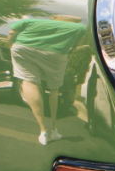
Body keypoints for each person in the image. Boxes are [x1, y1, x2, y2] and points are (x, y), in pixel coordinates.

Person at [6, 15, 87, 145]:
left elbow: (11, 34)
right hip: (56, 54)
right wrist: (68, 53)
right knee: (54, 89)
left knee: (29, 82)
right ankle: (54, 130)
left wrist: (11, 46)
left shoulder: (29, 21)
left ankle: (43, 131)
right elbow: (75, 46)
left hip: (23, 48)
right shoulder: (80, 27)